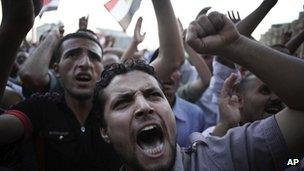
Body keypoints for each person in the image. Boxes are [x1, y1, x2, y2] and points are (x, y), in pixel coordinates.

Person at [94, 11, 304, 170]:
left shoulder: (225, 157)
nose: (144, 107)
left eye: (153, 95)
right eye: (123, 103)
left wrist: (235, 45)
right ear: (105, 131)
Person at [0, 31, 121, 170]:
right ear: (57, 70)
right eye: (72, 55)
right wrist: (51, 36)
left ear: (102, 72)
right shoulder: (40, 107)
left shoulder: (116, 108)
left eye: (94, 57)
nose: (85, 63)